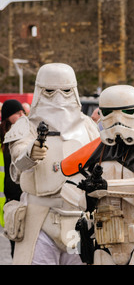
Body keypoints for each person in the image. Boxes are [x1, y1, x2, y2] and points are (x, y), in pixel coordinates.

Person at [4, 63, 100, 265]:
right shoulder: (25, 126)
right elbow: (17, 162)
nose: (58, 97)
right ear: (41, 91)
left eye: (65, 91)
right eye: (50, 91)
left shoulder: (88, 126)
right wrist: (30, 153)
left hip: (78, 218)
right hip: (39, 219)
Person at [60, 85, 134, 265]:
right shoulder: (97, 150)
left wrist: (106, 187)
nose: (117, 120)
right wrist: (87, 195)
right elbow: (68, 187)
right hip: (105, 242)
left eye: (127, 112)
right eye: (108, 112)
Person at [0, 100, 26, 257]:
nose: (22, 115)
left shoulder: (26, 134)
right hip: (8, 197)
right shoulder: (2, 137)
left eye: (23, 112)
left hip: (23, 193)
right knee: (14, 239)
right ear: (8, 116)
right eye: (18, 113)